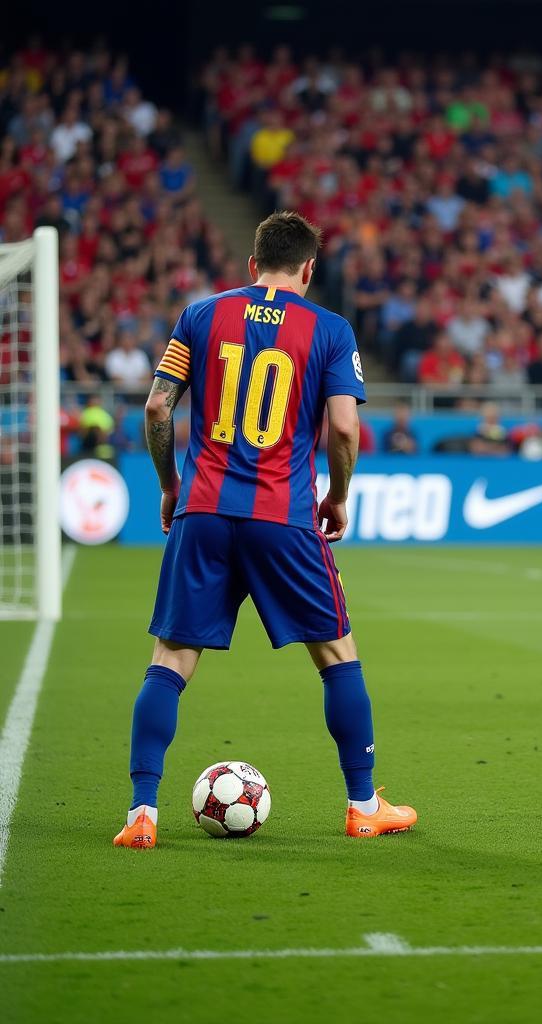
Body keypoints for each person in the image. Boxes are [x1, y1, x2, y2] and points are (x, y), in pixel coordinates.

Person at [113, 211, 416, 849]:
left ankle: (142, 813)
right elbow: (342, 427)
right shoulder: (331, 330)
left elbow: (156, 405)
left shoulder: (201, 316)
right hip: (284, 516)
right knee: (337, 655)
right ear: (310, 268)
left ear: (252, 265)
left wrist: (170, 485)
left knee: (170, 661)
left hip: (204, 511)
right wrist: (337, 495)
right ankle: (363, 806)